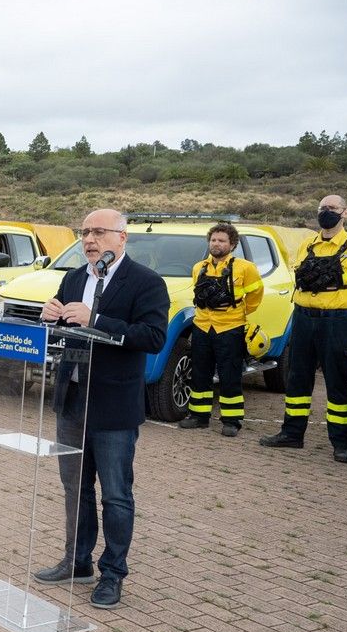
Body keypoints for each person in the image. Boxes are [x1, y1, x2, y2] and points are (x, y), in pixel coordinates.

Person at [34, 209, 168, 610]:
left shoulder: (146, 282)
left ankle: (113, 573)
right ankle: (78, 561)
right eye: (85, 232)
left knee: (115, 495)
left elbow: (154, 336)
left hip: (113, 406)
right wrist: (49, 320)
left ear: (122, 237)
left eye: (98, 232)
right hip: (72, 400)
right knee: (75, 489)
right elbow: (64, 334)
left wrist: (98, 319)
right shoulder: (75, 277)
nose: (89, 239)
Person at [260, 195, 347, 463]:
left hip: (338, 321)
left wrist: (344, 308)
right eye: (322, 208)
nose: (327, 212)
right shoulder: (308, 245)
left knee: (337, 381)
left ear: (345, 213)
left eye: (332, 208)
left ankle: (342, 444)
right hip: (303, 318)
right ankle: (292, 433)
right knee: (297, 376)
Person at [178, 222, 262, 436]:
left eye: (221, 240)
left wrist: (236, 314)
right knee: (199, 373)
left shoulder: (245, 268)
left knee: (230, 374)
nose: (216, 244)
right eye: (213, 240)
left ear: (232, 244)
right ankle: (199, 416)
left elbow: (254, 297)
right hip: (202, 326)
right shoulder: (199, 267)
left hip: (230, 328)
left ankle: (232, 421)